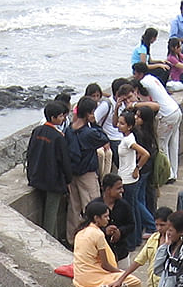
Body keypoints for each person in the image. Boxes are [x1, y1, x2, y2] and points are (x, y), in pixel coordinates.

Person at [72, 200, 143, 287]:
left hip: (80, 278)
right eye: (105, 216)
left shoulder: (80, 232)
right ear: (96, 218)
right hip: (93, 278)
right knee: (135, 281)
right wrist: (122, 273)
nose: (108, 219)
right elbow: (105, 265)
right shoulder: (98, 234)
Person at [64, 96, 111, 245]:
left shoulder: (69, 130)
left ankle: (72, 239)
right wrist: (94, 123)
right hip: (87, 173)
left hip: (72, 173)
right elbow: (104, 138)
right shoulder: (89, 133)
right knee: (92, 206)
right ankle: (92, 241)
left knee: (74, 207)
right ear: (89, 113)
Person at [25, 100, 71, 243]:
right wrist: (68, 180)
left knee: (50, 210)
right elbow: (64, 161)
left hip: (38, 177)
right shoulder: (58, 137)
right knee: (51, 213)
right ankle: (49, 241)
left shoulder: (37, 131)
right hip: (53, 181)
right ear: (53, 118)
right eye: (61, 116)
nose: (63, 119)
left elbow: (30, 153)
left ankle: (55, 239)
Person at [131, 65, 183, 182]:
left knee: (162, 145)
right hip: (175, 110)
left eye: (135, 74)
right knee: (173, 143)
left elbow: (148, 104)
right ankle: (173, 172)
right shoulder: (152, 78)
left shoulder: (143, 84)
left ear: (139, 74)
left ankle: (167, 174)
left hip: (166, 115)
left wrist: (134, 104)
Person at [114, 206, 172, 287]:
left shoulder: (175, 243)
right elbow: (139, 261)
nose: (159, 228)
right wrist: (121, 279)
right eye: (157, 225)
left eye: (162, 225)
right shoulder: (153, 238)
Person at [116, 108, 152, 248]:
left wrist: (137, 168)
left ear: (129, 126)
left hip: (128, 179)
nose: (119, 125)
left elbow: (145, 154)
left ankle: (131, 242)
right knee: (134, 209)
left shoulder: (129, 140)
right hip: (127, 177)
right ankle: (135, 239)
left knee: (130, 210)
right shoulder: (128, 138)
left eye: (122, 124)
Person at [90, 173, 135, 266]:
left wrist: (120, 232)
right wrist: (104, 231)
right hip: (100, 256)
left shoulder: (124, 206)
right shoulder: (94, 207)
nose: (122, 191)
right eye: (118, 188)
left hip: (121, 253)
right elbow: (88, 229)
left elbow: (131, 225)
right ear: (107, 190)